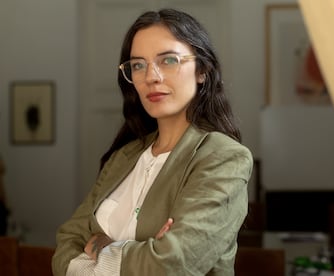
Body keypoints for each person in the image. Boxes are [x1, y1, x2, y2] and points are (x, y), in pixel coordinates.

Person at [52, 8, 253, 276]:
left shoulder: (224, 158)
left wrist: (108, 249)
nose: (151, 77)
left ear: (202, 70)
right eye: (138, 65)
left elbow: (171, 264)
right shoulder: (123, 157)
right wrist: (143, 250)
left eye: (168, 60)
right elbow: (65, 247)